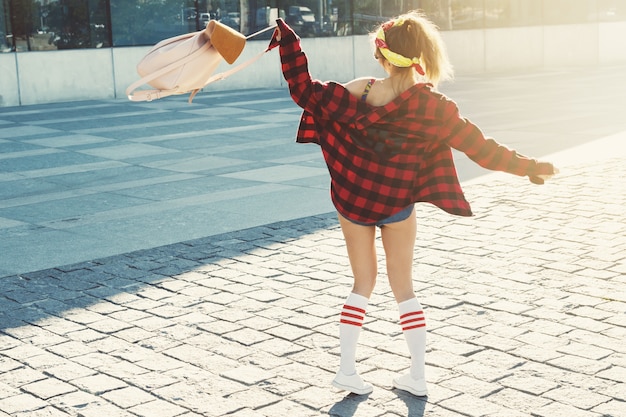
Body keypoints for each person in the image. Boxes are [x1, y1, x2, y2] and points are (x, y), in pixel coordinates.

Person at [271, 12, 557, 397]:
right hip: (397, 204)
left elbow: (304, 91)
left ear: (383, 57)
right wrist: (529, 168)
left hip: (354, 200)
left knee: (362, 282)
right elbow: (482, 150)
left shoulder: (363, 89)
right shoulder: (435, 107)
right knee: (403, 286)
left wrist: (289, 42)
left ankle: (346, 371)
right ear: (421, 55)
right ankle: (418, 376)